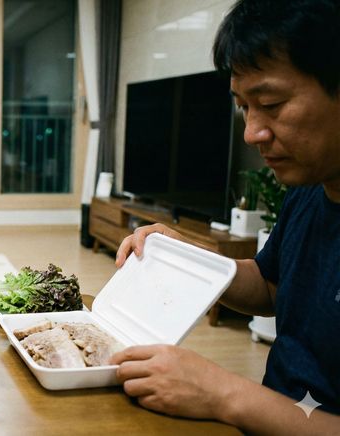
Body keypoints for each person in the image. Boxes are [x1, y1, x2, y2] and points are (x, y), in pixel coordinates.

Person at [109, 0, 340, 432]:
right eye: (243, 107)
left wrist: (225, 393)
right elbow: (270, 286)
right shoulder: (309, 187)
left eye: (270, 103)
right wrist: (191, 255)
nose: (253, 133)